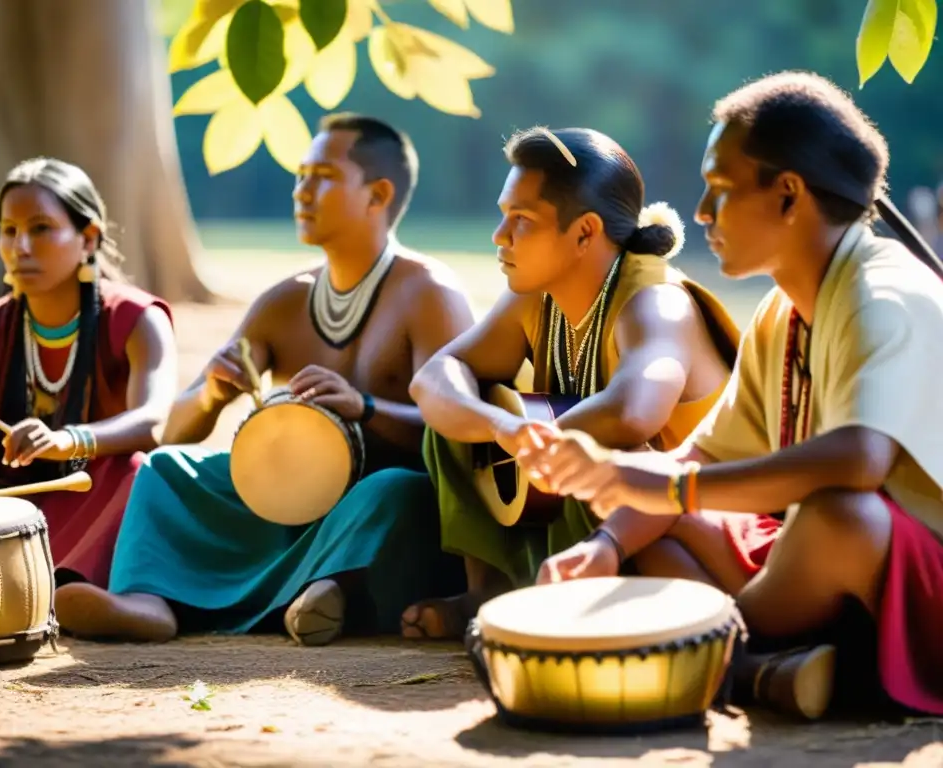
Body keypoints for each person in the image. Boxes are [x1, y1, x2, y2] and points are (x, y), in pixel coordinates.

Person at [523, 71, 943, 720]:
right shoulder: (783, 310)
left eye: (719, 188)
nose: (699, 213)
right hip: (805, 570)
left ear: (788, 196)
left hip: (903, 570)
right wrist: (604, 547)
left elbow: (860, 461)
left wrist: (662, 488)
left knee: (840, 515)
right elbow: (695, 463)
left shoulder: (882, 297)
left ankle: (718, 656)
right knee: (650, 530)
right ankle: (763, 670)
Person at [53, 113, 474, 645]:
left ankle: (330, 591)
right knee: (165, 468)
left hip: (373, 510)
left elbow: (456, 427)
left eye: (322, 176)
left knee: (392, 491)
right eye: (300, 175)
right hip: (287, 506)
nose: (301, 191)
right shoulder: (285, 301)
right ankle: (149, 601)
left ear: (378, 193)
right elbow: (174, 431)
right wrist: (210, 393)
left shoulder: (430, 293)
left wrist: (365, 408)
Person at [399, 126, 742, 640]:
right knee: (455, 422)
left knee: (602, 455)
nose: (499, 235)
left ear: (584, 233)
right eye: (502, 215)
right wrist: (502, 427)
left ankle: (563, 605)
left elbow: (633, 414)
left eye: (521, 221)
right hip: (591, 516)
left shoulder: (655, 303)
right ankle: (488, 592)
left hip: (683, 525)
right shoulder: (535, 297)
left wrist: (531, 442)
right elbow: (434, 379)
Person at [0, 157, 178, 591]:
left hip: (87, 494)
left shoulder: (137, 319)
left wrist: (67, 442)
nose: (20, 246)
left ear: (89, 237)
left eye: (40, 228)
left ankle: (68, 588)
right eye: (10, 230)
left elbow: (151, 421)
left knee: (136, 472)